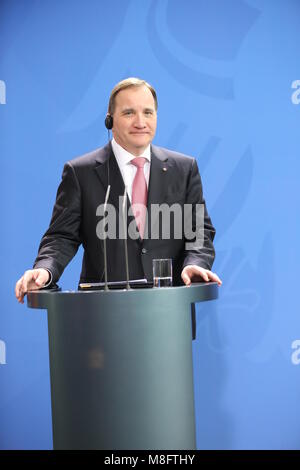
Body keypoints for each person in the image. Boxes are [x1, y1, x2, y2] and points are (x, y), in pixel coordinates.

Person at [15, 77, 221, 305]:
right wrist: (45, 270)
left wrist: (195, 264)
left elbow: (199, 231)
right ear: (109, 121)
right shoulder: (80, 172)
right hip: (102, 314)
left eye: (148, 112)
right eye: (129, 113)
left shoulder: (183, 169)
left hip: (169, 313)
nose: (141, 122)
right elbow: (61, 237)